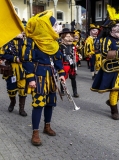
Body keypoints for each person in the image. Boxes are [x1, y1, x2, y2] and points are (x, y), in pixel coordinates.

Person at [22, 10, 65, 146]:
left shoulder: (54, 41)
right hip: (38, 76)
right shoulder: (31, 41)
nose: (57, 27)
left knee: (50, 103)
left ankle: (47, 126)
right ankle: (35, 132)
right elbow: (26, 60)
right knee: (38, 104)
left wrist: (62, 73)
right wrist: (30, 78)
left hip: (51, 76)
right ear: (45, 26)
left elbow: (57, 58)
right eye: (54, 25)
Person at [91, 5, 119, 120]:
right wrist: (118, 53)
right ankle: (114, 111)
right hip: (112, 68)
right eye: (116, 26)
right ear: (110, 29)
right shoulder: (107, 40)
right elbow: (104, 52)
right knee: (115, 89)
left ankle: (111, 102)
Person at [0, 32, 28, 116]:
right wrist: (14, 58)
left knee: (23, 89)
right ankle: (12, 102)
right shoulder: (6, 42)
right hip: (10, 69)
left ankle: (21, 108)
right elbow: (2, 54)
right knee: (11, 89)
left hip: (23, 69)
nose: (20, 33)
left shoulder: (25, 42)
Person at [59, 28, 79, 97]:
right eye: (67, 36)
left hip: (72, 65)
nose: (70, 38)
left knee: (73, 78)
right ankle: (62, 90)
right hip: (64, 65)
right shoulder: (60, 47)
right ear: (63, 37)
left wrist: (77, 60)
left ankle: (75, 92)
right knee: (63, 78)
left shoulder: (73, 46)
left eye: (71, 36)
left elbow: (75, 55)